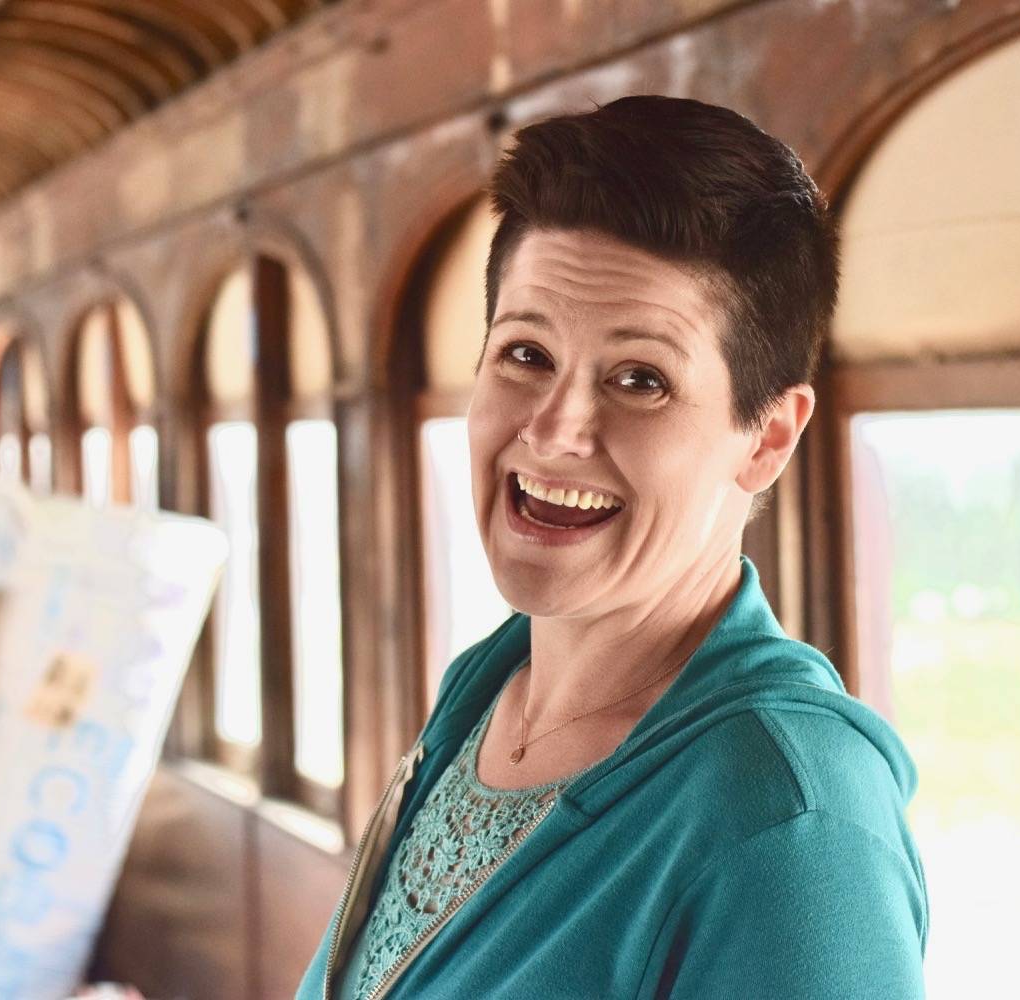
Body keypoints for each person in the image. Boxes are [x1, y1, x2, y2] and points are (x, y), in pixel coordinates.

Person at [296, 95, 928, 1000]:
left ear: (767, 439)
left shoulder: (791, 824)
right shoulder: (485, 686)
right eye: (525, 355)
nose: (556, 433)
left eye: (641, 380)